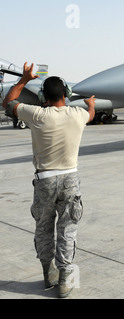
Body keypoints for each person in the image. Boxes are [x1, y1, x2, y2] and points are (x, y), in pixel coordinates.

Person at [2, 62, 96, 298]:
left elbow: (8, 103)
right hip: (70, 180)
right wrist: (91, 104)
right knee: (67, 228)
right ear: (66, 94)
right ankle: (64, 280)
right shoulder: (78, 114)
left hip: (44, 180)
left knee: (43, 227)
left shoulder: (36, 114)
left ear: (44, 96)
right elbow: (91, 115)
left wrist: (23, 79)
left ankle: (48, 272)